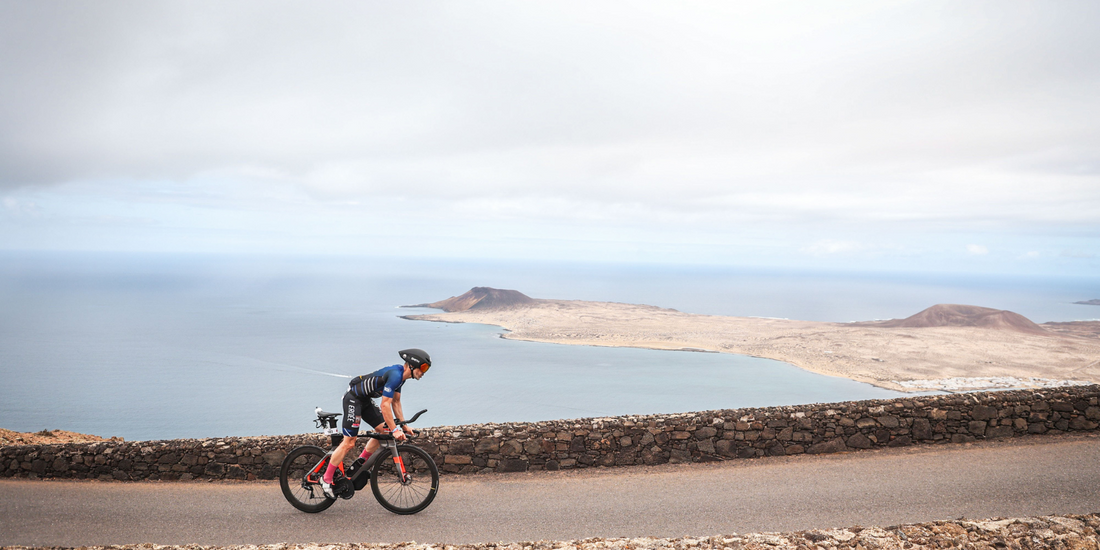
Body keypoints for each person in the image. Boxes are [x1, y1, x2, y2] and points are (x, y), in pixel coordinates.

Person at [321, 348, 431, 498]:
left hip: (364, 401)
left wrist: (404, 426)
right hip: (353, 398)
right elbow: (385, 405)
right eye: (423, 367)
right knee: (349, 443)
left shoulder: (401, 379)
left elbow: (396, 402)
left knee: (383, 432)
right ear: (412, 365)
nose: (424, 372)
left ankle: (359, 464)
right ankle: (326, 479)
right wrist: (394, 430)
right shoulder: (395, 375)